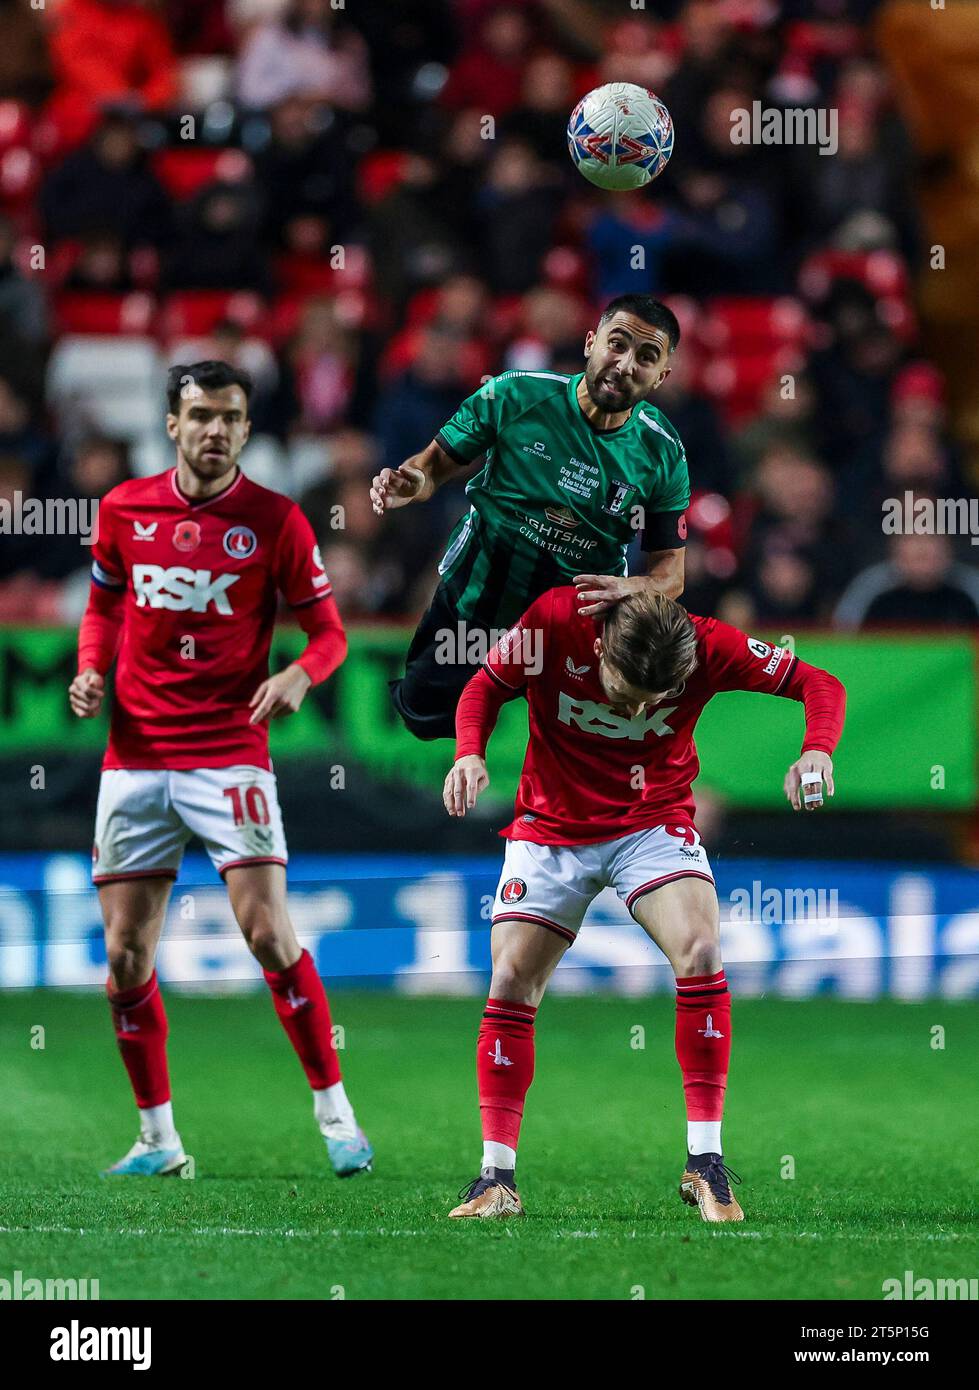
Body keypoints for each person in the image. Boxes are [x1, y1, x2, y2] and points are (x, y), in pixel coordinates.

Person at [441, 585, 846, 1221]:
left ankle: (705, 1162)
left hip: (650, 823)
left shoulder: (709, 644)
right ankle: (496, 1179)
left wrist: (816, 748)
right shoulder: (554, 619)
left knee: (702, 948)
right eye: (627, 689)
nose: (641, 708)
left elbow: (818, 683)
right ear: (598, 645)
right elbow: (485, 685)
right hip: (552, 827)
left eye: (658, 697)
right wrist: (469, 753)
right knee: (511, 978)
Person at [68, 360, 373, 1179]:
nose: (214, 430)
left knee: (268, 932)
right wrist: (91, 667)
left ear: (246, 428)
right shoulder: (123, 509)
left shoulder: (275, 521)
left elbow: (331, 633)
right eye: (200, 414)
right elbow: (103, 604)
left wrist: (299, 675)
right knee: (125, 958)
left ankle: (336, 1116)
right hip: (133, 758)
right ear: (171, 423)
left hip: (228, 753)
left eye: (230, 417)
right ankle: (158, 1140)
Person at [371, 293, 692, 741]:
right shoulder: (515, 394)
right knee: (423, 719)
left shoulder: (663, 452)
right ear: (589, 342)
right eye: (616, 344)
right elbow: (432, 468)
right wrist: (411, 482)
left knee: (573, 751)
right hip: (476, 606)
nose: (624, 363)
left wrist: (630, 586)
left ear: (661, 377)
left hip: (575, 630)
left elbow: (669, 575)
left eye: (646, 356)